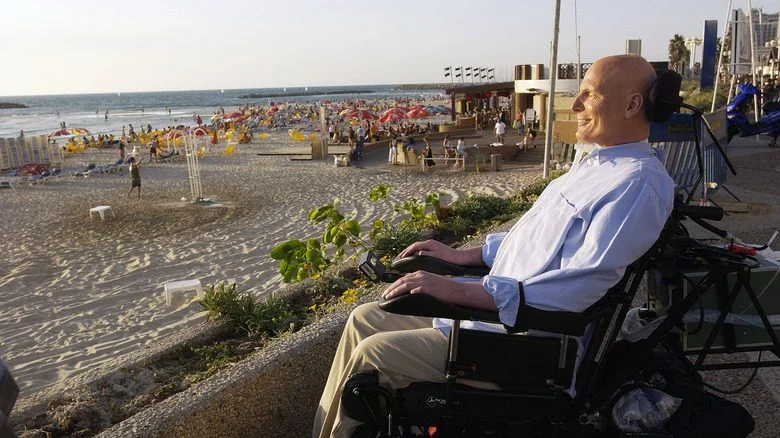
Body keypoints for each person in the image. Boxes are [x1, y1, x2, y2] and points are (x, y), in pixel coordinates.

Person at [312, 54, 677, 438]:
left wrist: (457, 290)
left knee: (374, 355)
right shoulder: (596, 165)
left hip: (527, 345)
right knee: (364, 318)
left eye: (589, 94)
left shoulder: (637, 184)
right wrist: (461, 257)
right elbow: (533, 239)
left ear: (632, 104)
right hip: (496, 320)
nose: (575, 105)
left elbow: (575, 289)